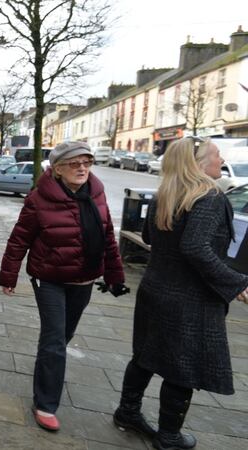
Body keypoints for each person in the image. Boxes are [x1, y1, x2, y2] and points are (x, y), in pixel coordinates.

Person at [113, 137, 248, 450]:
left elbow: (149, 237)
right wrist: (236, 282)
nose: (220, 159)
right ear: (198, 163)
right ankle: (169, 436)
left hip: (155, 290)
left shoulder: (165, 195)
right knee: (183, 369)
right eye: (216, 154)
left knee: (145, 357)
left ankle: (127, 412)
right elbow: (195, 247)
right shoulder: (209, 196)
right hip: (190, 299)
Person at [0, 141, 126, 432]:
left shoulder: (97, 193)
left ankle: (47, 367)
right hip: (49, 278)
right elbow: (19, 239)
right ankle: (45, 403)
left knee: (64, 335)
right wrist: (9, 276)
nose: (82, 168)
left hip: (85, 278)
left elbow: (107, 238)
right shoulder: (38, 199)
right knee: (55, 339)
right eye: (74, 163)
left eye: (86, 162)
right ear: (56, 169)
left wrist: (115, 276)